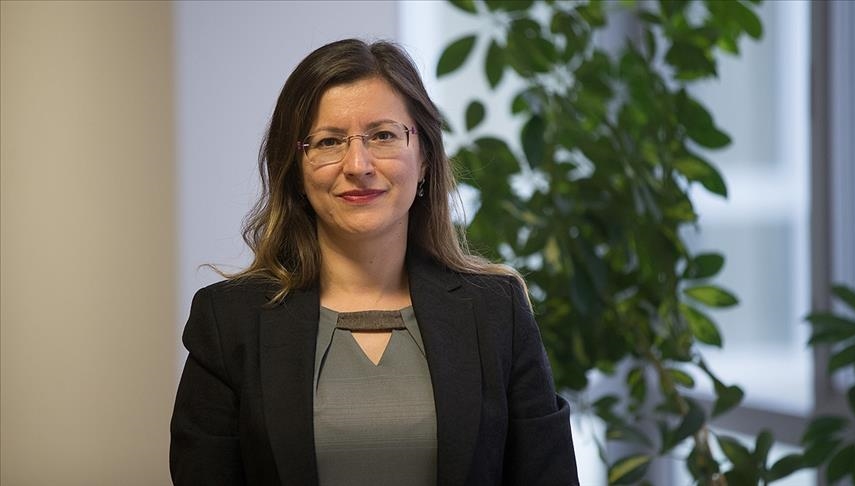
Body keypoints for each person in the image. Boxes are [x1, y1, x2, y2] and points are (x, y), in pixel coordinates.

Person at [169, 38, 579, 486]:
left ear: (425, 158)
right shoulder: (229, 322)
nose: (358, 164)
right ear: (296, 170)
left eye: (383, 135)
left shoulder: (497, 312)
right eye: (328, 141)